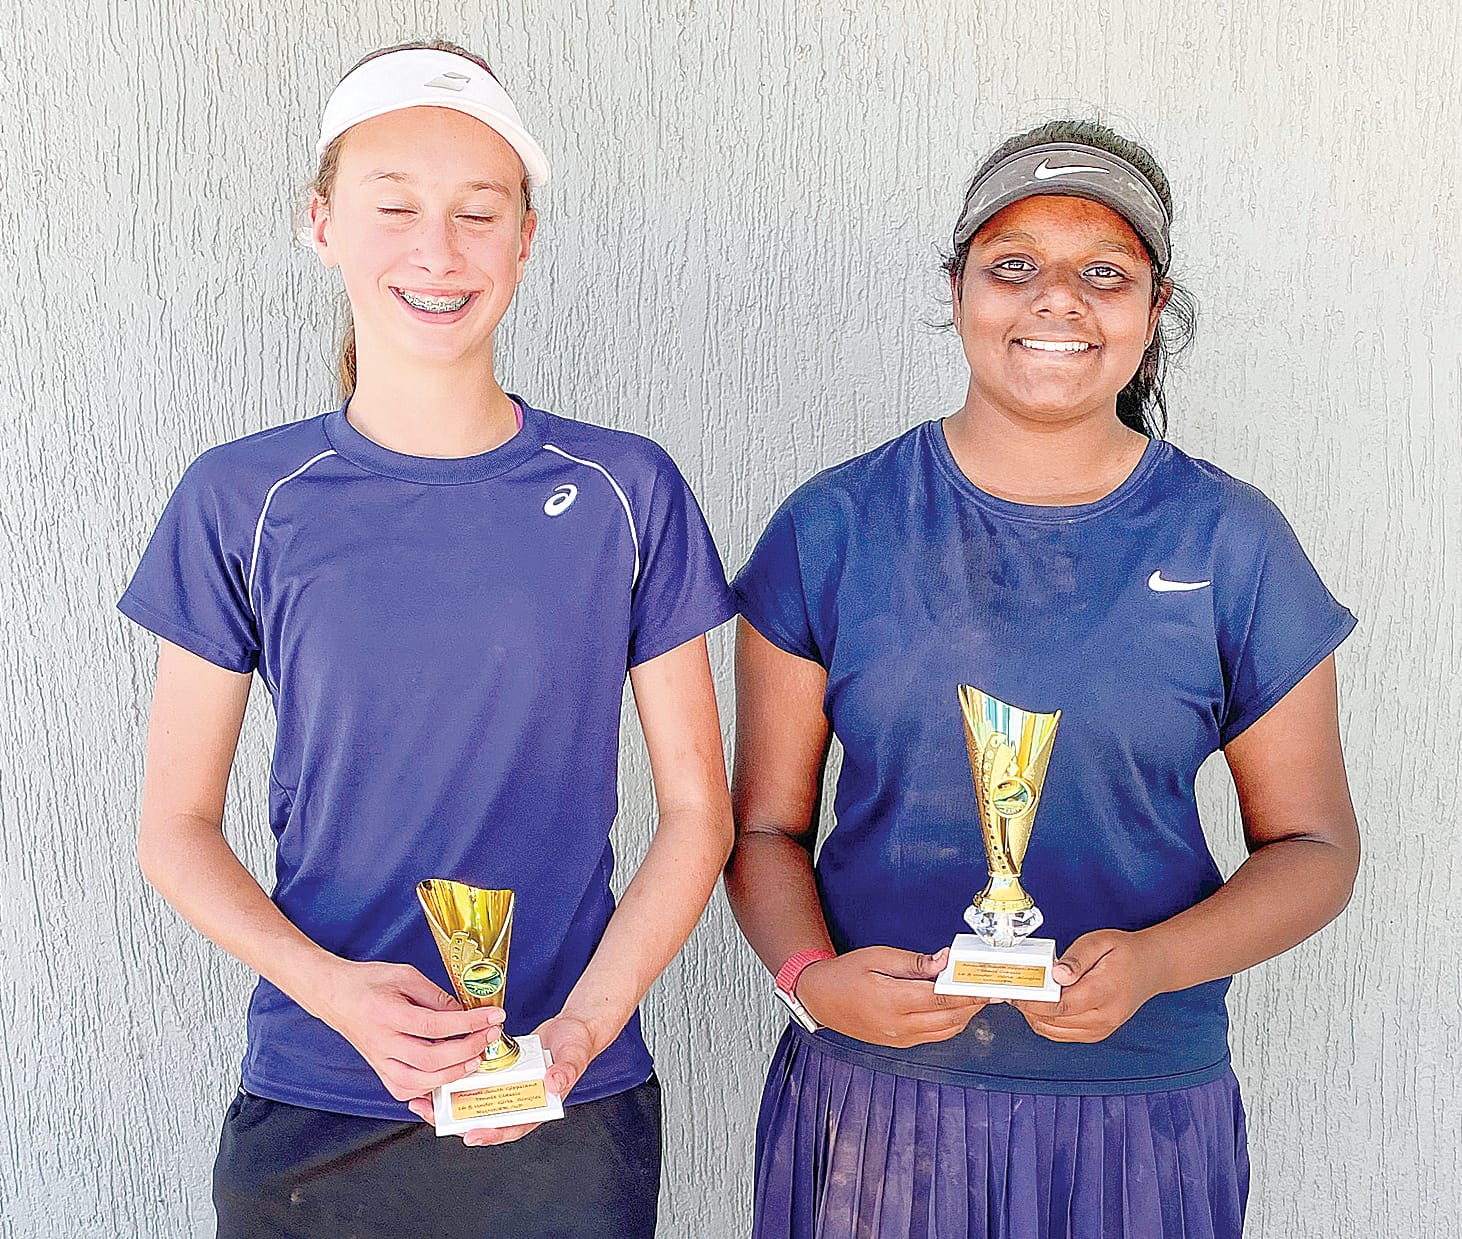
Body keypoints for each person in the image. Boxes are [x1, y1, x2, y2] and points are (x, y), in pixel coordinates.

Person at [120, 40, 734, 1239]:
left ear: (525, 238)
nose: (437, 251)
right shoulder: (244, 497)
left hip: (566, 1103)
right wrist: (336, 995)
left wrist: (577, 1033)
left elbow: (699, 815)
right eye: (393, 208)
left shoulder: (625, 487)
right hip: (319, 1108)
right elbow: (174, 829)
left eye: (477, 212)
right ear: (321, 224)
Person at [726, 119, 1360, 1239]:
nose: (1054, 299)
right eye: (1011, 265)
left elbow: (1313, 850)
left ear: (1153, 311)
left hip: (1138, 1107)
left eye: (1102, 273)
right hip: (882, 1111)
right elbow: (763, 831)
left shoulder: (1229, 539)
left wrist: (1157, 963)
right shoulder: (835, 525)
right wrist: (811, 980)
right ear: (960, 291)